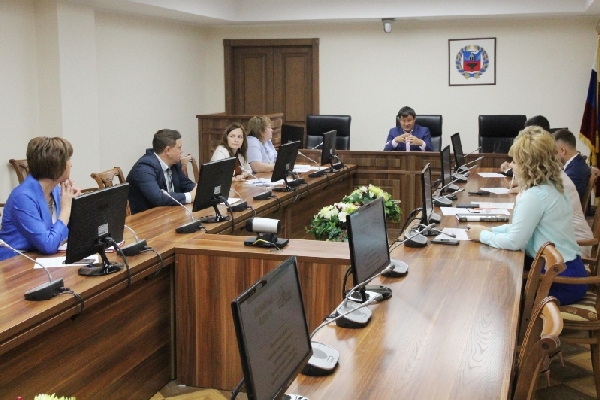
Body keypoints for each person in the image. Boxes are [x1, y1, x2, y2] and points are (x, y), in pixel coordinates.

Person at [467, 127, 587, 306]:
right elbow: (520, 228)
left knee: (494, 291)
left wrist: (483, 235)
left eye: (516, 161)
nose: (513, 166)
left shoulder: (534, 196)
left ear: (528, 165)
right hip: (567, 270)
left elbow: (515, 241)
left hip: (559, 281)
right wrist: (489, 230)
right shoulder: (551, 186)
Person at [0, 137, 81, 261]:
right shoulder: (23, 197)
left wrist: (75, 205)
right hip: (15, 263)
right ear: (57, 165)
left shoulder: (55, 190)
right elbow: (48, 245)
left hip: (40, 258)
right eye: (68, 160)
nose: (71, 164)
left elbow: (68, 232)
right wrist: (66, 209)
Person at [127, 129, 197, 215]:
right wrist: (190, 196)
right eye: (179, 148)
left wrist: (199, 190)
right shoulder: (144, 168)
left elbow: (186, 184)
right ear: (167, 150)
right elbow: (158, 197)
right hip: (148, 218)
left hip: (171, 213)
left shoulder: (174, 163)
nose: (181, 151)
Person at [553, 129, 591, 201]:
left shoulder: (573, 173)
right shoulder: (578, 163)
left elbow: (560, 201)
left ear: (562, 150)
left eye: (554, 152)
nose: (553, 157)